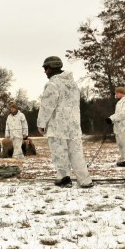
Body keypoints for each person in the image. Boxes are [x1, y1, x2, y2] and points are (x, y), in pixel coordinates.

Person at [37, 56, 93, 188]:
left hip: (58, 126)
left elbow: (47, 106)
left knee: (59, 152)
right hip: (73, 125)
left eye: (46, 68)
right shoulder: (73, 84)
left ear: (51, 68)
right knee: (77, 153)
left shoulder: (52, 84)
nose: (45, 72)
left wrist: (41, 124)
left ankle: (64, 178)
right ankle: (85, 180)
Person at [107, 87, 125, 167]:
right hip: (119, 128)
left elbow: (124, 114)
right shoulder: (119, 102)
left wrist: (112, 118)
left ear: (121, 93)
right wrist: (111, 120)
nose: (116, 94)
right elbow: (119, 114)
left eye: (116, 93)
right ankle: (123, 159)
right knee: (121, 144)